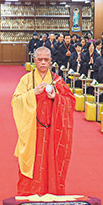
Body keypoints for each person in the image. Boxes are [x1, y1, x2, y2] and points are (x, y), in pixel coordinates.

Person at [11, 46, 75, 195]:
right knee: (32, 161)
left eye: (46, 60)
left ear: (51, 61)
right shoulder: (26, 80)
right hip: (33, 130)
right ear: (34, 60)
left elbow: (71, 101)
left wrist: (56, 98)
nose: (43, 63)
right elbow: (16, 101)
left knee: (51, 162)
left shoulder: (57, 80)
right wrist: (33, 93)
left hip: (53, 131)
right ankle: (29, 193)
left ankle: (52, 192)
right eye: (40, 59)